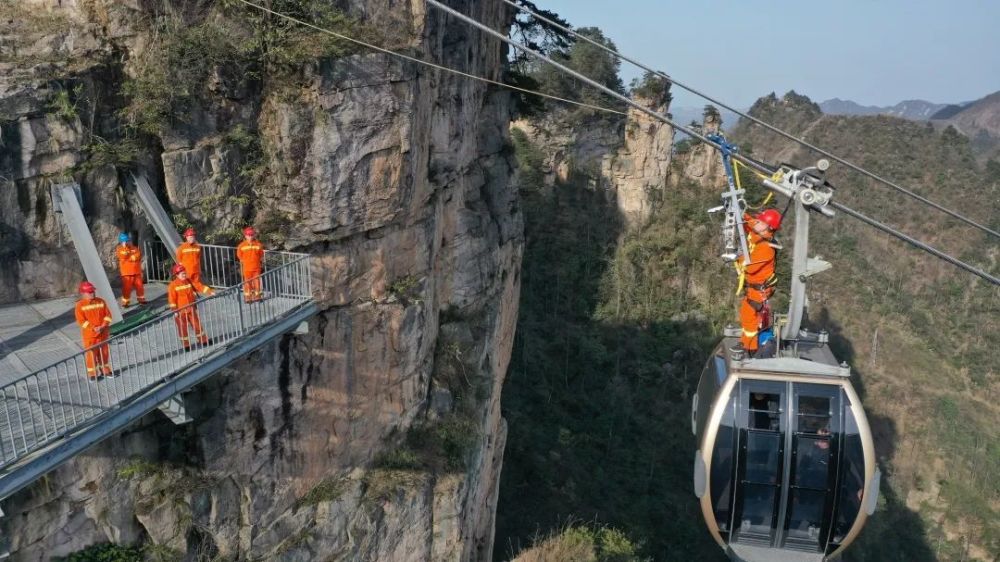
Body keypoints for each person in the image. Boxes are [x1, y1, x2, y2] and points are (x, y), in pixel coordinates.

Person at [738, 209, 781, 355]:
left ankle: (749, 349)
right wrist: (739, 213)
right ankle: (748, 344)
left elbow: (749, 267)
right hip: (754, 288)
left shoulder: (766, 248)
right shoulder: (759, 233)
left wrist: (739, 257)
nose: (758, 222)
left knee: (749, 318)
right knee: (747, 314)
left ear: (768, 228)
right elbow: (750, 224)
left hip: (759, 290)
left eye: (761, 222)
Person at [167, 264, 215, 350]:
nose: (184, 275)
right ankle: (186, 345)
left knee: (197, 325)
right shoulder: (173, 285)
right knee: (182, 329)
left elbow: (199, 286)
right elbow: (172, 300)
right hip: (180, 311)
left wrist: (209, 291)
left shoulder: (189, 281)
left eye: (185, 273)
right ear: (177, 275)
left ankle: (204, 341)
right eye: (182, 274)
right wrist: (175, 311)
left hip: (191, 308)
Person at [74, 281, 114, 381]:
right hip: (90, 335)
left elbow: (108, 316)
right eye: (89, 292)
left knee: (104, 353)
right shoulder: (80, 305)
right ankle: (92, 373)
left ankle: (105, 370)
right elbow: (81, 321)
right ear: (83, 293)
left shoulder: (101, 301)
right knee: (91, 355)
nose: (92, 293)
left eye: (92, 291)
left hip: (103, 333)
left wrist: (103, 325)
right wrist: (93, 328)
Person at [116, 232, 146, 307]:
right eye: (124, 241)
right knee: (127, 288)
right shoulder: (119, 249)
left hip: (136, 272)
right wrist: (125, 249)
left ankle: (141, 300)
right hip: (126, 273)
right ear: (121, 242)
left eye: (127, 241)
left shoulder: (134, 248)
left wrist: (130, 258)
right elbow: (123, 256)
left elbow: (138, 255)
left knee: (140, 287)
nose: (126, 242)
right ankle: (125, 302)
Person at [236, 226, 265, 303]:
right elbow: (239, 255)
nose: (250, 236)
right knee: (247, 283)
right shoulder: (241, 246)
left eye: (251, 235)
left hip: (256, 267)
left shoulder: (258, 245)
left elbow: (261, 255)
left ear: (254, 235)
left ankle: (257, 296)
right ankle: (248, 297)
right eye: (248, 235)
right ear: (245, 236)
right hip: (247, 268)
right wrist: (244, 261)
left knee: (257, 282)